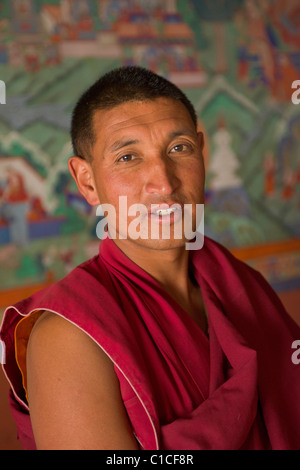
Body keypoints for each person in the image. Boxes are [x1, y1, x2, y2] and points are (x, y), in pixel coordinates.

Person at [1, 66, 300, 450]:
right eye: (128, 157)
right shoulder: (70, 335)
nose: (164, 181)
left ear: (201, 152)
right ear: (87, 181)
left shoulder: (241, 283)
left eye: (179, 148)